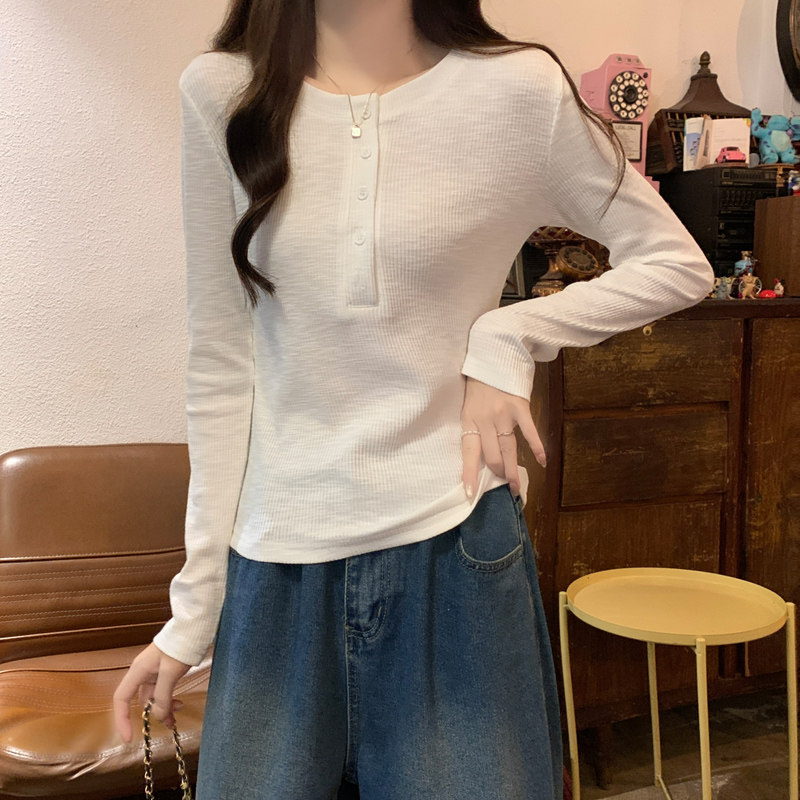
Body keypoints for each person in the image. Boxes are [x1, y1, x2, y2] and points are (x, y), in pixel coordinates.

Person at [112, 0, 715, 797]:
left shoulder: (516, 90)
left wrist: (509, 338)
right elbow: (222, 362)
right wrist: (195, 608)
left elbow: (677, 264)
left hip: (456, 548)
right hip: (275, 564)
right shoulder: (222, 93)